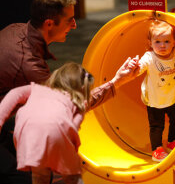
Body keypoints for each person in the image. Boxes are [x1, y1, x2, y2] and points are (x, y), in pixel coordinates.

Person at [0, 59, 139, 184]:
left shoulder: (35, 89)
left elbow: (14, 95)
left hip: (24, 134)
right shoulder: (75, 101)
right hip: (57, 133)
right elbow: (73, 127)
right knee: (72, 176)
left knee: (39, 175)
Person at [0, 0, 77, 183]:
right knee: (28, 177)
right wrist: (115, 82)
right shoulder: (30, 64)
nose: (75, 26)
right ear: (49, 24)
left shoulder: (16, 28)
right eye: (70, 20)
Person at [128, 19, 175, 162]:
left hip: (173, 96)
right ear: (150, 43)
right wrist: (133, 66)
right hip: (155, 100)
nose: (162, 46)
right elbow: (140, 67)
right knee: (156, 126)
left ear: (174, 42)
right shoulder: (149, 57)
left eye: (167, 41)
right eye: (157, 42)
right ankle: (157, 149)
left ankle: (173, 140)